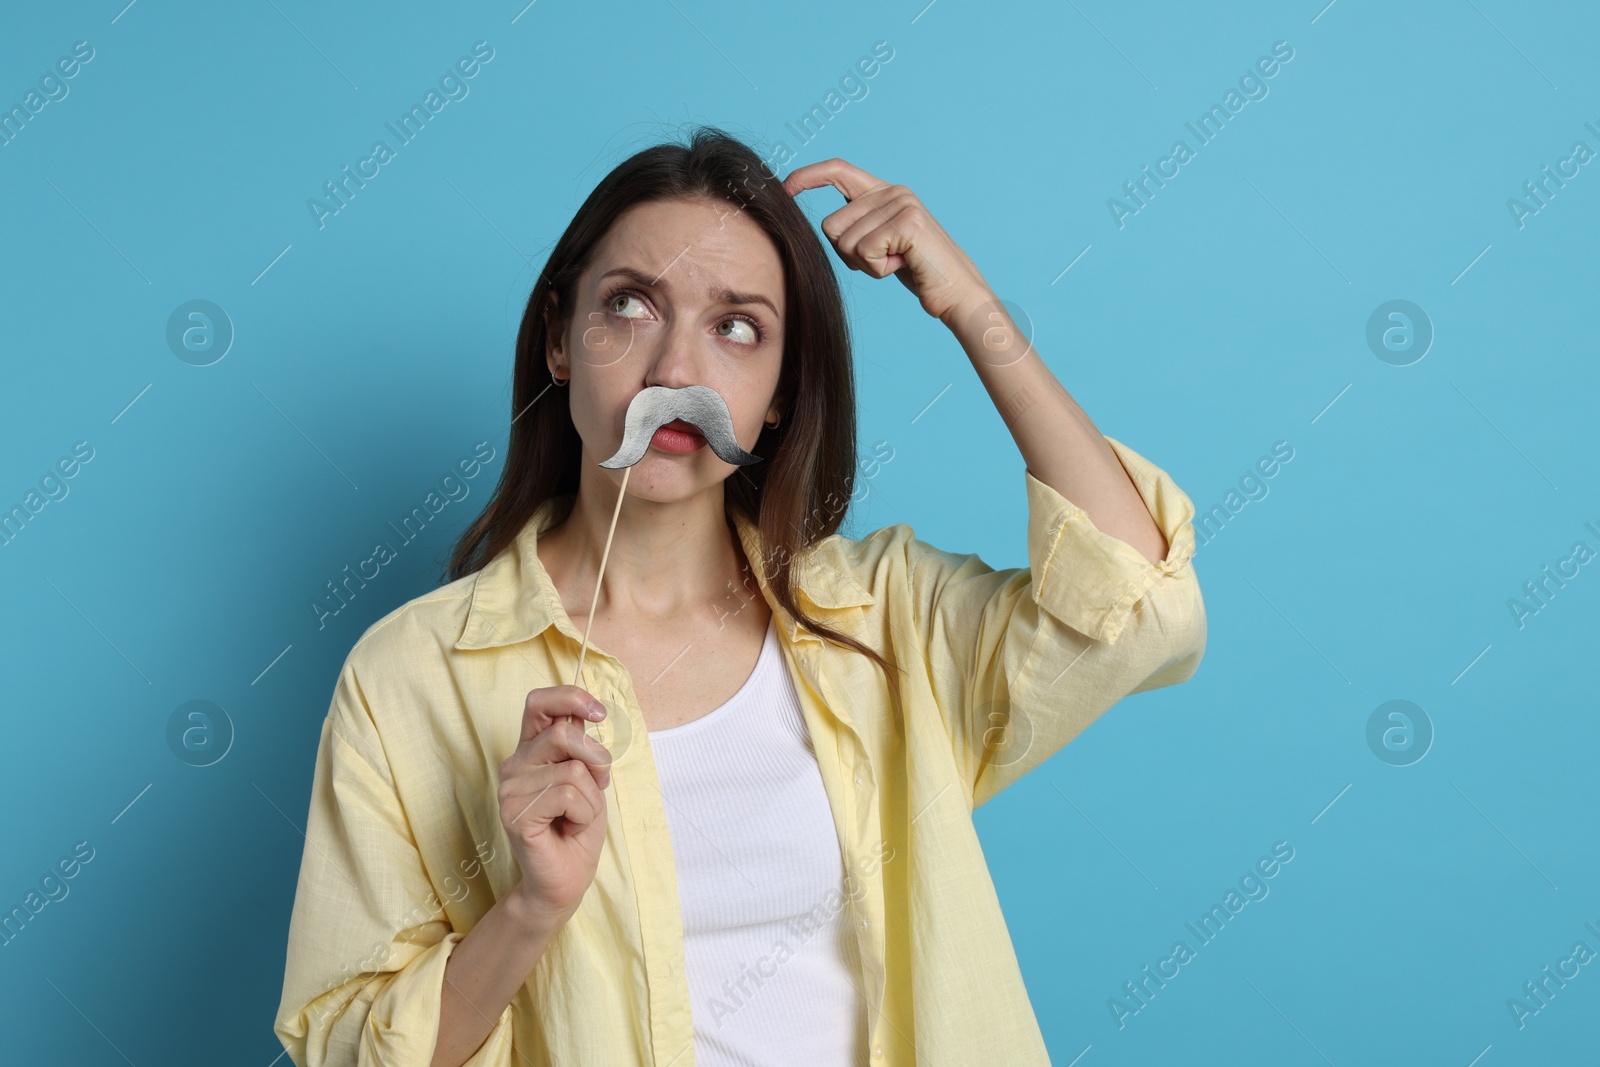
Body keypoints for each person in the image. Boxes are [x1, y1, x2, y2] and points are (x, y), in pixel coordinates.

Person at [274, 126, 1207, 1067]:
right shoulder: (410, 679)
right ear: (560, 338)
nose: (677, 373)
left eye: (736, 327)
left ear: (779, 392)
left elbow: (1137, 609)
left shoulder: (883, 621)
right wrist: (528, 908)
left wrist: (970, 307)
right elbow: (348, 1052)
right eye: (632, 306)